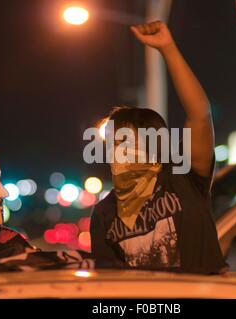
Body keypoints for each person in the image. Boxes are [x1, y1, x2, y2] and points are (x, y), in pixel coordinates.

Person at [90, 21, 227, 274]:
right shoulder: (104, 212)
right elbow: (107, 282)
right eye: (111, 143)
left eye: (124, 140)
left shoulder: (182, 176)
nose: (114, 150)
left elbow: (199, 114)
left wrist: (168, 48)